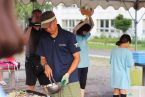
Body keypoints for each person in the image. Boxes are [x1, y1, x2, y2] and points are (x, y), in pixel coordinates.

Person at [37, 11, 81, 97]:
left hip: (70, 81)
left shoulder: (69, 36)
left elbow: (77, 58)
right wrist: (45, 65)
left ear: (55, 21)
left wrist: (68, 74)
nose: (48, 30)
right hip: (54, 83)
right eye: (45, 28)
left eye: (49, 26)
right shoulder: (43, 39)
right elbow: (42, 58)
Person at [24, 9, 49, 91]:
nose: (39, 18)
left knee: (47, 87)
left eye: (40, 16)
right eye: (37, 16)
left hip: (42, 62)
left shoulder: (44, 30)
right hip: (30, 62)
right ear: (32, 17)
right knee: (31, 88)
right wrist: (31, 25)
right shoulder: (28, 29)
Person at [73, 16, 94, 97]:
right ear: (81, 29)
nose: (87, 31)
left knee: (83, 83)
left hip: (85, 65)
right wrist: (83, 23)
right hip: (77, 65)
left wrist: (89, 16)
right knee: (76, 83)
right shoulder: (74, 37)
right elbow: (74, 29)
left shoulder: (85, 36)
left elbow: (92, 25)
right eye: (85, 30)